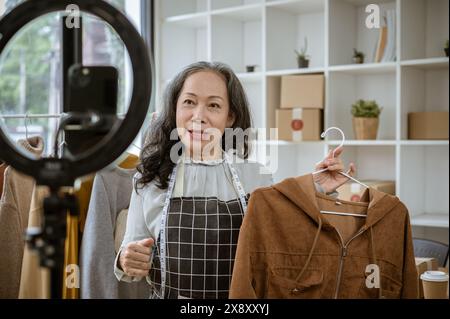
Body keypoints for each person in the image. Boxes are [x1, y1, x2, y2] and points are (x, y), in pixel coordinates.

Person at [114, 61, 355, 299]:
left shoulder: (257, 175)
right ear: (175, 108)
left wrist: (319, 187)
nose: (199, 116)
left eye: (214, 105)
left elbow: (289, 236)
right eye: (189, 102)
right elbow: (131, 252)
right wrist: (127, 260)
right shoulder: (150, 179)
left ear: (230, 118)